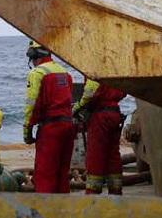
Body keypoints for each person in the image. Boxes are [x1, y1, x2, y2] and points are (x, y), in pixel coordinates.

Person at [23, 40, 75, 193]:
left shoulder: (37, 73)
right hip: (68, 127)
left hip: (50, 129)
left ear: (34, 55)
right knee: (62, 173)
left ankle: (43, 211)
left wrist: (27, 131)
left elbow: (31, 105)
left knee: (45, 174)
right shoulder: (64, 72)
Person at [72, 78, 127, 195]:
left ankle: (93, 192)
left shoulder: (96, 65)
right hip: (115, 113)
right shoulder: (116, 67)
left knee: (95, 155)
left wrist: (78, 106)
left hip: (101, 115)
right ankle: (116, 190)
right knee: (113, 155)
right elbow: (125, 90)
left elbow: (90, 91)